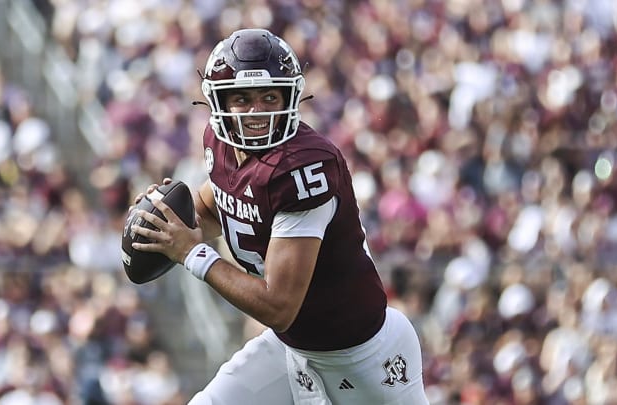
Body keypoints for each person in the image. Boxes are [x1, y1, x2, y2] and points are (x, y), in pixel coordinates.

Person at [130, 28, 430, 404]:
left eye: (270, 97)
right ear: (219, 101)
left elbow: (279, 306)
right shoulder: (220, 144)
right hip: (294, 352)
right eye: (242, 98)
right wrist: (169, 223)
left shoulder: (302, 168)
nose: (257, 112)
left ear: (289, 96)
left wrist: (192, 254)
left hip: (365, 362)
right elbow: (212, 210)